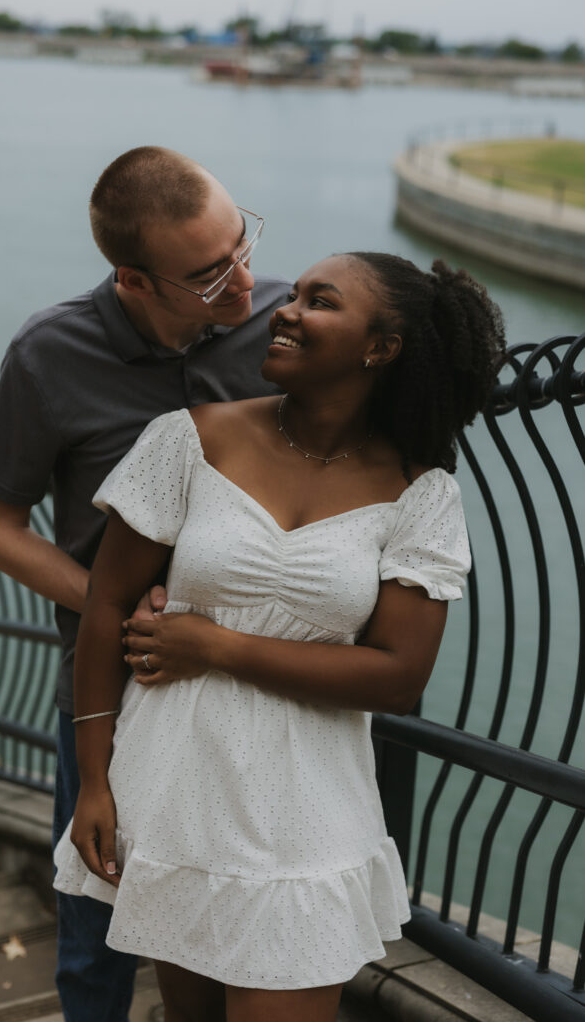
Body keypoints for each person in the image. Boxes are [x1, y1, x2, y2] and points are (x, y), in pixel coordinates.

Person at [53, 252, 506, 1021]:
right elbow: (105, 610)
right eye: (291, 295)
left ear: (381, 347)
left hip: (306, 814)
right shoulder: (188, 440)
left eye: (317, 301)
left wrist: (215, 646)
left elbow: (397, 676)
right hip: (171, 787)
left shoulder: (420, 493)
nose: (284, 311)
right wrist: (94, 780)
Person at [0, 146, 290, 1022]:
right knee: (96, 933)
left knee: (248, 918)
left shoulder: (287, 322)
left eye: (241, 245)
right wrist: (113, 608)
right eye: (206, 273)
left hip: (251, 679)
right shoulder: (48, 353)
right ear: (132, 279)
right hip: (111, 686)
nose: (242, 282)